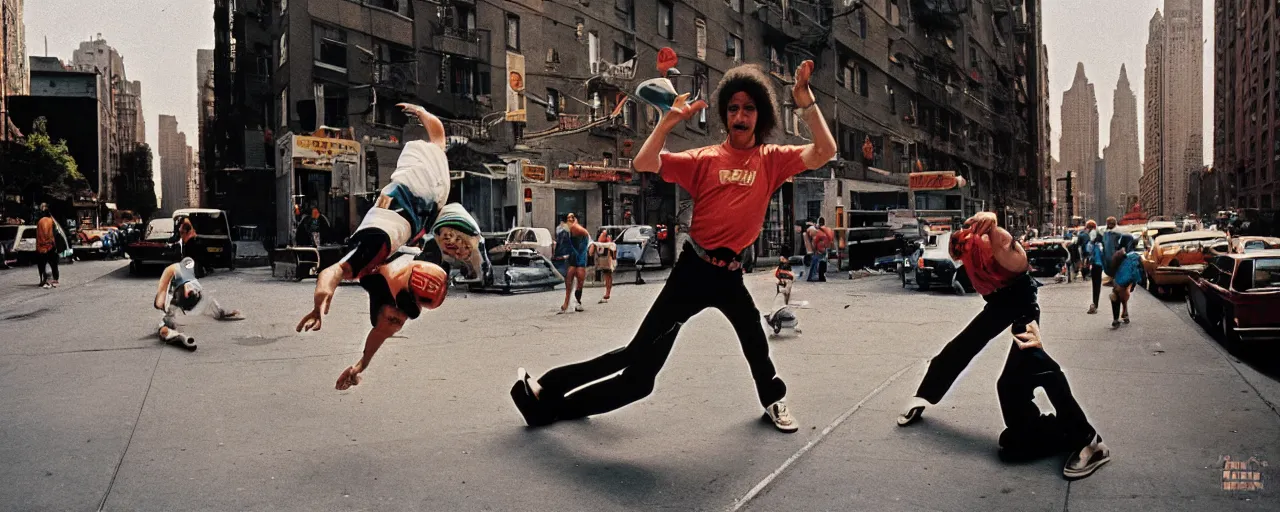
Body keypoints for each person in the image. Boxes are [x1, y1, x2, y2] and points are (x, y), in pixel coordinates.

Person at [510, 60, 837, 432]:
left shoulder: (771, 159)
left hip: (730, 275)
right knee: (639, 372)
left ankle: (773, 400)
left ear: (760, 114)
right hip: (692, 272)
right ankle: (546, 392)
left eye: (748, 108)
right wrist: (667, 121)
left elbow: (825, 151)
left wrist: (806, 102)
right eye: (733, 108)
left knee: (755, 341)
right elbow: (644, 161)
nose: (740, 115)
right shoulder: (705, 159)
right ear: (724, 115)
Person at [896, 212, 1110, 480]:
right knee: (970, 353)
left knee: (1036, 362)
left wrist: (991, 220)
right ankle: (926, 394)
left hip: (1022, 307)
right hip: (1001, 304)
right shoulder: (974, 252)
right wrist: (922, 397)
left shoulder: (997, 244)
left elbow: (1000, 234)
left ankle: (1089, 440)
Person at [154, 257, 245, 350]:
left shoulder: (173, 271)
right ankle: (168, 332)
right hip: (188, 295)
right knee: (209, 302)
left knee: (168, 319)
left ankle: (168, 331)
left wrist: (163, 304)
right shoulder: (181, 270)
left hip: (184, 296)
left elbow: (162, 296)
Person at [1098, 217, 1137, 328]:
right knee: (1117, 292)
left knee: (1118, 292)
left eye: (1111, 223)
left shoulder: (1117, 236)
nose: (1109, 224)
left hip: (1120, 269)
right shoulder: (1109, 235)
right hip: (1117, 269)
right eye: (1108, 223)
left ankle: (1122, 313)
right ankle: (1119, 316)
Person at [558, 213, 591, 313]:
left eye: (572, 217)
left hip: (580, 255)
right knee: (569, 280)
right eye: (568, 218)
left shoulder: (576, 228)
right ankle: (566, 303)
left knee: (580, 280)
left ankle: (578, 302)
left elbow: (587, 236)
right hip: (573, 256)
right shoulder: (566, 230)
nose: (570, 219)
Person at [1078, 220, 1103, 313]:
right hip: (1100, 263)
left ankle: (1095, 304)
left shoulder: (1093, 240)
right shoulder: (1101, 237)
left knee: (1095, 284)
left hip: (1096, 263)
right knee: (1097, 284)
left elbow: (1088, 249)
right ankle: (1095, 303)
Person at [590, 229, 618, 304]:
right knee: (606, 276)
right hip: (601, 262)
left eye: (606, 235)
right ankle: (607, 292)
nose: (606, 236)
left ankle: (608, 292)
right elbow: (590, 253)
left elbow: (614, 255)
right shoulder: (596, 244)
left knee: (608, 276)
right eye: (604, 234)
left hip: (607, 263)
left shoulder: (609, 244)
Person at [35, 210, 59, 288]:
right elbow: (54, 233)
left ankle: (43, 280)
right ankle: (55, 279)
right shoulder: (51, 221)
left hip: (40, 247)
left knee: (41, 264)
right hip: (50, 246)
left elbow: (38, 234)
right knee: (54, 264)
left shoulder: (39, 222)